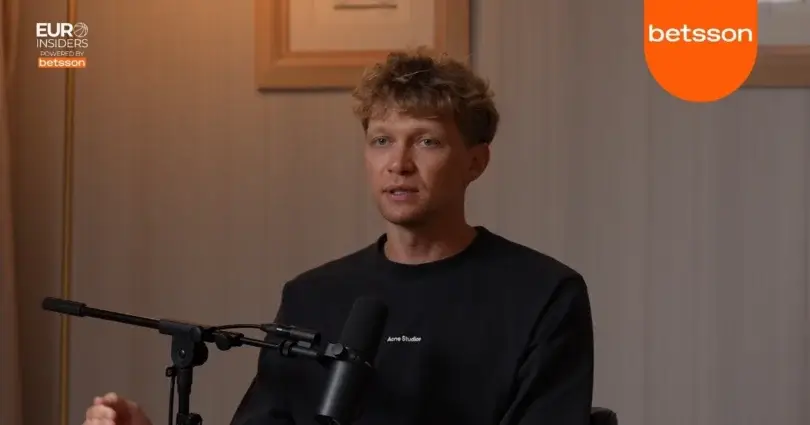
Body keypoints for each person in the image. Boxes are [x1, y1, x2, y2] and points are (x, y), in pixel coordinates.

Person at [83, 49, 594, 425]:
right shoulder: (312, 296)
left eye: (427, 141)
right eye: (381, 140)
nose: (398, 163)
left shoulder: (543, 293)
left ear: (475, 162)